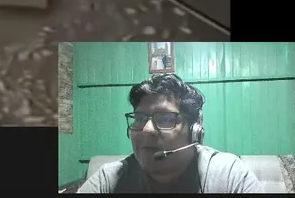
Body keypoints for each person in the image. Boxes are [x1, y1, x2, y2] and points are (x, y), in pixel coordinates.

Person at [77, 73, 261, 193]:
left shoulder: (229, 176)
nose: (146, 129)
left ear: (195, 129)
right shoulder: (109, 180)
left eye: (165, 118)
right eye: (140, 118)